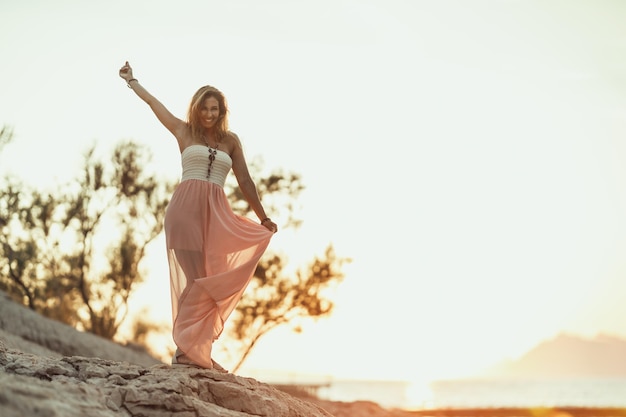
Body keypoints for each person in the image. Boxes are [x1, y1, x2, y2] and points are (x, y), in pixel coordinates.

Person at [118, 61, 277, 372]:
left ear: (222, 111)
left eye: (214, 108)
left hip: (216, 216)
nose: (209, 114)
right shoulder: (183, 131)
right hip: (185, 212)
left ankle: (193, 349)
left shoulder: (231, 141)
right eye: (204, 108)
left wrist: (263, 217)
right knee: (197, 281)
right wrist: (132, 81)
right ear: (196, 109)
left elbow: (245, 180)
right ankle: (189, 350)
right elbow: (154, 104)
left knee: (212, 281)